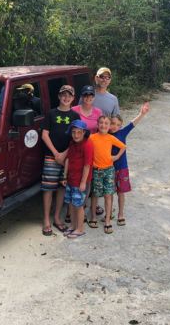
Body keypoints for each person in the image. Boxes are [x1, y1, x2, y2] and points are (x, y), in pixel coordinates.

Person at [41, 85, 80, 236]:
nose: (66, 98)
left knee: (62, 187)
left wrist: (64, 154)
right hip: (51, 156)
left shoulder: (75, 116)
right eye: (63, 95)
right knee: (48, 188)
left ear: (73, 98)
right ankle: (46, 220)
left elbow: (77, 138)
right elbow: (45, 134)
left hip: (67, 158)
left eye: (69, 95)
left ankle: (57, 217)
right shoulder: (51, 113)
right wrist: (56, 153)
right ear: (59, 96)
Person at [110, 102, 150, 226]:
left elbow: (133, 123)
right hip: (108, 169)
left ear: (121, 126)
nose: (114, 126)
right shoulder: (104, 135)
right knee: (109, 192)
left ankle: (120, 213)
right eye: (112, 123)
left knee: (120, 192)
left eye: (118, 124)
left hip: (122, 168)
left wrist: (141, 114)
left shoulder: (122, 133)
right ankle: (109, 212)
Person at [89, 115, 126, 234]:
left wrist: (116, 157)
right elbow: (86, 149)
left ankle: (108, 221)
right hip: (97, 170)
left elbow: (123, 147)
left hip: (109, 170)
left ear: (109, 126)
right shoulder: (92, 137)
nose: (103, 125)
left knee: (108, 195)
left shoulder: (111, 138)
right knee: (95, 194)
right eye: (101, 123)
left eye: (106, 123)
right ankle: (93, 217)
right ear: (97, 124)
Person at [91, 67, 120, 216]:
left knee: (104, 173)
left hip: (106, 143)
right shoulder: (89, 95)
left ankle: (104, 207)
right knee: (90, 173)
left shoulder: (113, 99)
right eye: (101, 77)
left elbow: (116, 122)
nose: (104, 80)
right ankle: (85, 206)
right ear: (96, 78)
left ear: (110, 80)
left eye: (107, 77)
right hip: (89, 140)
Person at [61, 120, 93, 239]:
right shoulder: (72, 143)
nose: (76, 135)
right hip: (71, 179)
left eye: (79, 132)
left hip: (80, 182)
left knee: (79, 206)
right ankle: (73, 225)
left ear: (84, 132)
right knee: (72, 204)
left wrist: (83, 182)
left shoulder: (88, 145)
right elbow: (68, 159)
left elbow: (87, 165)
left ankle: (80, 229)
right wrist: (64, 176)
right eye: (73, 132)